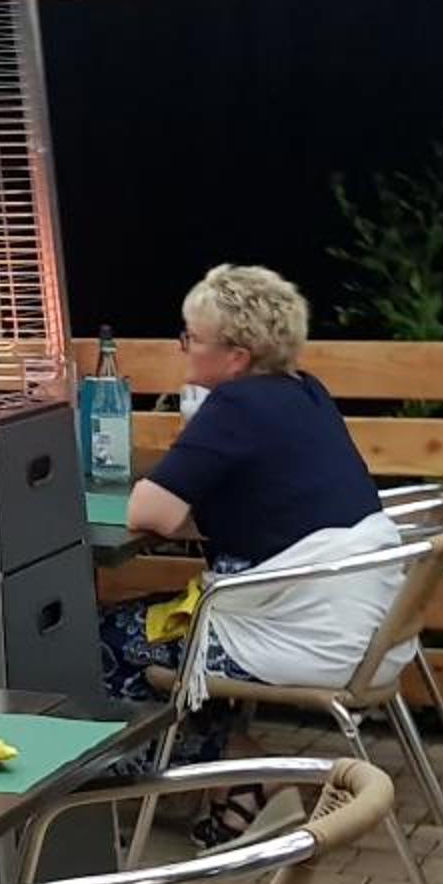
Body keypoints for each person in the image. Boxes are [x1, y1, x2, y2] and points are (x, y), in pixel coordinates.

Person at [96, 265, 410, 839]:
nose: (184, 348)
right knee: (166, 620)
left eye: (192, 338)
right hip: (367, 626)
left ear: (236, 357)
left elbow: (152, 513)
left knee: (101, 643)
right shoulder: (305, 392)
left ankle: (245, 774)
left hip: (307, 633)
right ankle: (234, 777)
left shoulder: (236, 406)